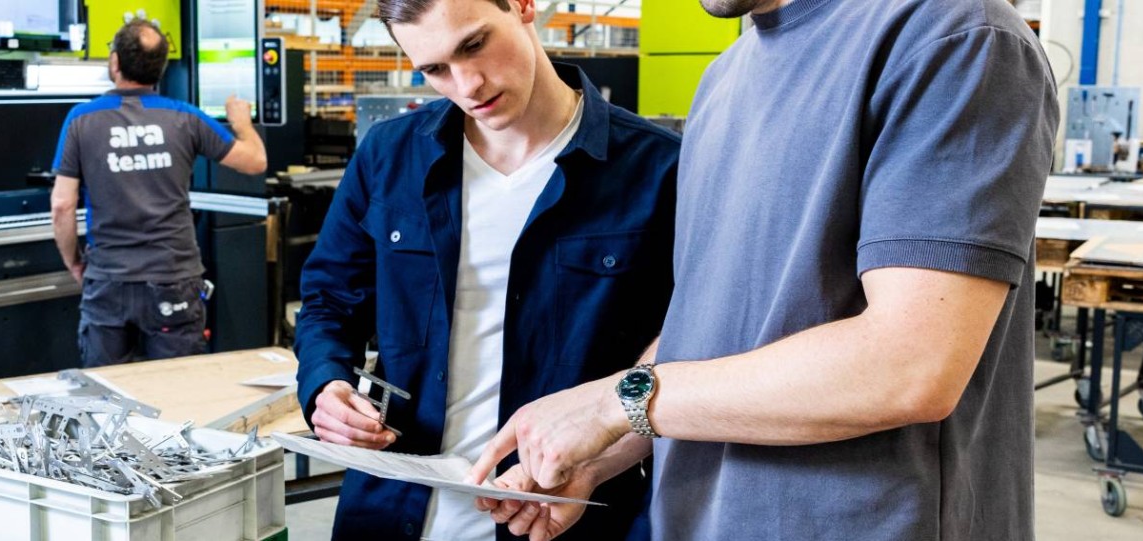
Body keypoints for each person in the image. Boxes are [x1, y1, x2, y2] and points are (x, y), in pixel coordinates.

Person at [470, 0, 1058, 539]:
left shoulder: (951, 37)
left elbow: (910, 365)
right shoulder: (725, 78)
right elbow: (712, 330)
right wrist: (603, 453)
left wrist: (611, 404)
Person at [291, 0, 682, 537]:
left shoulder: (660, 170)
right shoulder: (387, 157)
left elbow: (687, 346)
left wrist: (593, 464)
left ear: (523, 6)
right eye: (434, 70)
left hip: (560, 514)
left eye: (474, 45)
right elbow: (329, 300)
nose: (466, 84)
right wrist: (324, 385)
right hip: (391, 511)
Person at [51, 19, 267, 367]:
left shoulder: (81, 120)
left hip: (108, 279)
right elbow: (256, 161)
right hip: (174, 278)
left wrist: (73, 261)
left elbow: (62, 205)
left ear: (115, 62)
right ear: (161, 69)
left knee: (105, 399)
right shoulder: (185, 117)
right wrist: (242, 122)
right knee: (178, 390)